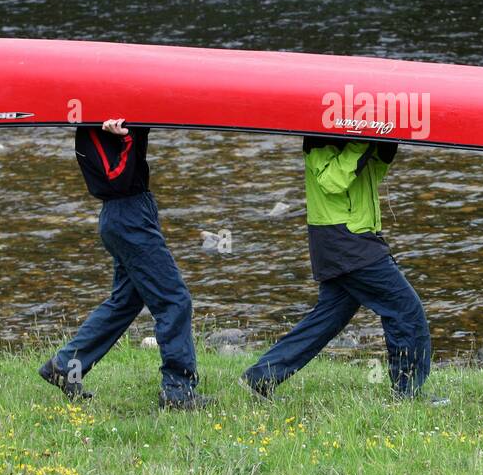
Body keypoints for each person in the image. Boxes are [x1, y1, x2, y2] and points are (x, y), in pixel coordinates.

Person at [242, 136, 439, 402]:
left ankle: (262, 376)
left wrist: (384, 144)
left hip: (354, 237)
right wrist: (365, 141)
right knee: (405, 309)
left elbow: (370, 174)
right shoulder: (318, 135)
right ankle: (408, 393)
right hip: (346, 241)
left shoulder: (351, 131)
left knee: (328, 319)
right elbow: (332, 180)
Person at [40, 118, 208, 410]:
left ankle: (66, 366)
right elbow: (115, 178)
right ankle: (178, 391)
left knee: (125, 302)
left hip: (134, 212)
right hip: (126, 217)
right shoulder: (92, 131)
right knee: (174, 301)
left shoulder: (120, 116)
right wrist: (126, 138)